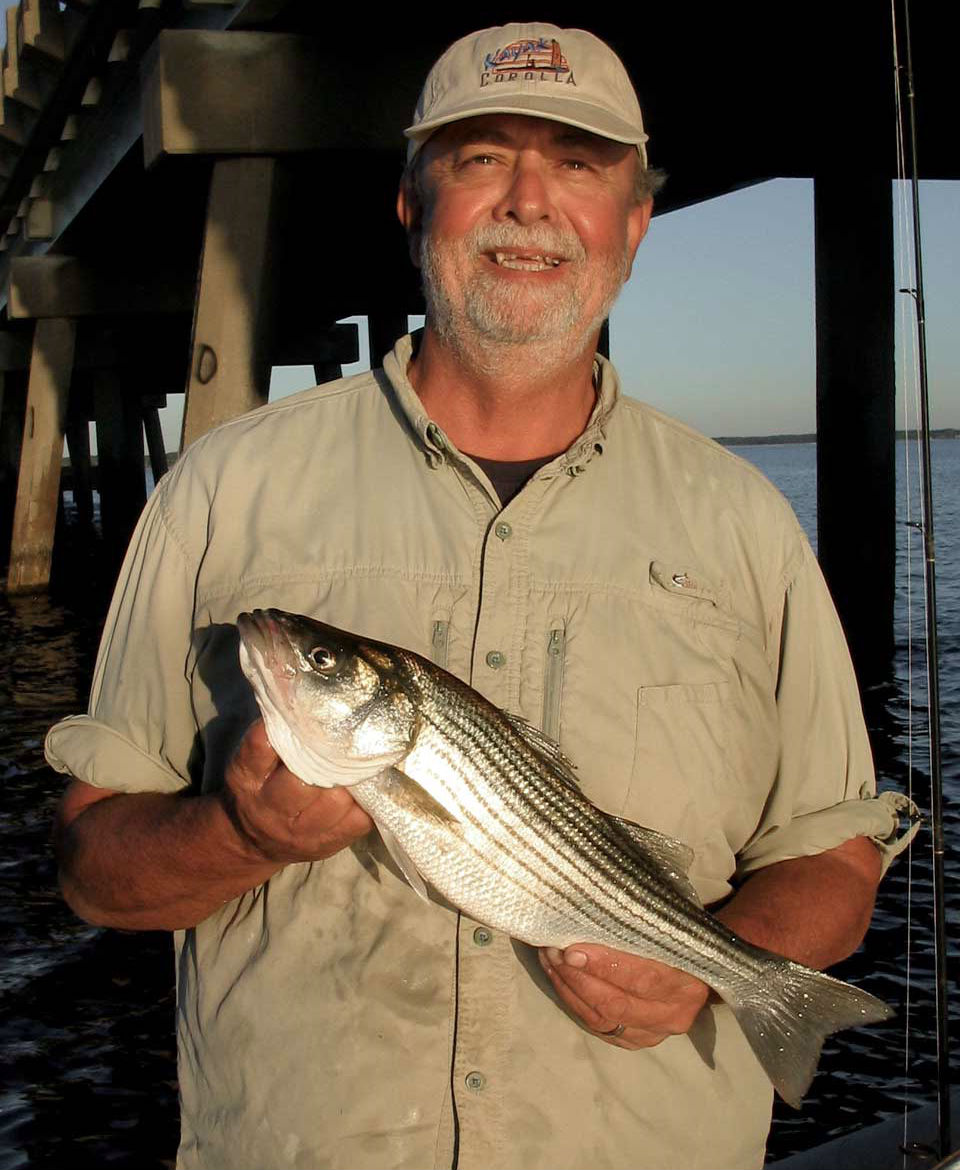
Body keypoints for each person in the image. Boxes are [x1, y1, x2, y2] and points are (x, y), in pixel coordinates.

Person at [48, 22, 916, 1170]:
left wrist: (718, 967)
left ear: (635, 223)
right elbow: (94, 871)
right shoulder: (222, 491)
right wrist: (238, 830)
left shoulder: (743, 524)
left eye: (576, 162)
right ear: (414, 208)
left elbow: (834, 861)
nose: (527, 202)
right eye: (478, 160)